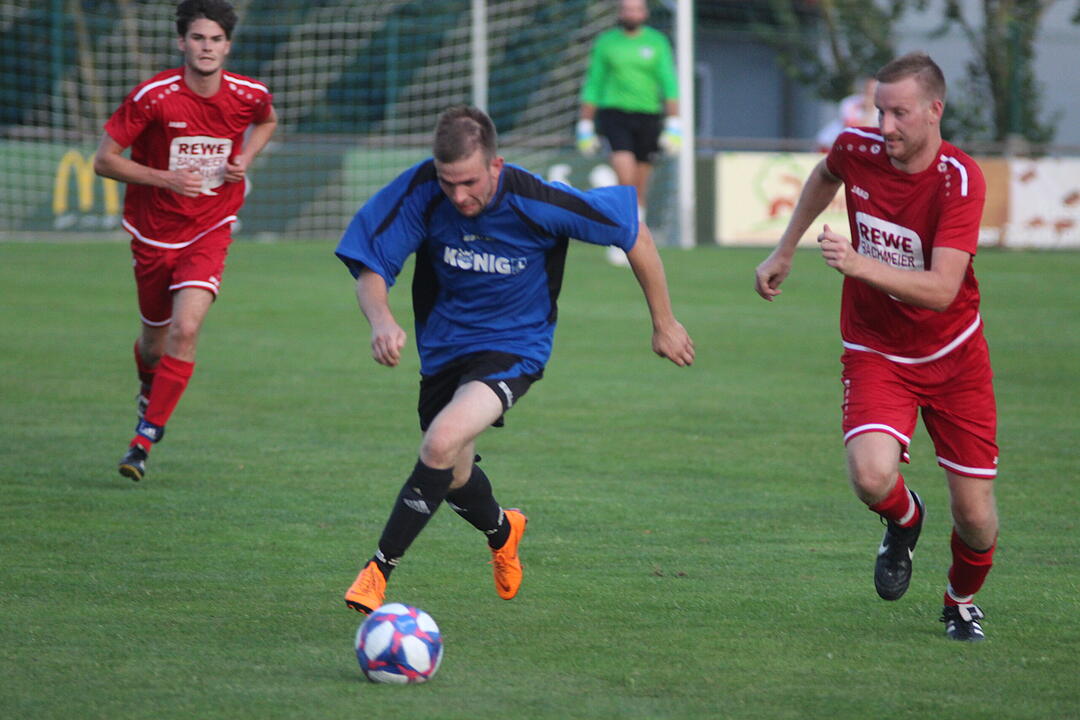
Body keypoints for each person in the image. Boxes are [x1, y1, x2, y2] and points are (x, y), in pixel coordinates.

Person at [336, 105, 694, 614]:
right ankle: (504, 531)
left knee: (438, 443)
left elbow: (631, 229)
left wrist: (664, 322)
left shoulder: (535, 199)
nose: (458, 196)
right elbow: (370, 264)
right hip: (442, 352)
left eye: (469, 182)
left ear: (496, 165)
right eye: (447, 182)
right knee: (452, 471)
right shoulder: (422, 189)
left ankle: (376, 573)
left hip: (513, 348)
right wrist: (381, 321)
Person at [754, 53, 999, 642]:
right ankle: (905, 520)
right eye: (879, 110)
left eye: (900, 113)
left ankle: (959, 600)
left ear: (935, 111)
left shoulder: (959, 180)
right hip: (876, 350)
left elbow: (942, 290)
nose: (885, 126)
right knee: (869, 476)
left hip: (955, 357)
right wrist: (786, 248)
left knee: (975, 519)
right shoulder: (856, 148)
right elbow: (823, 176)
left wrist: (859, 264)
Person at [94, 0, 277, 482]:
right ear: (182, 43)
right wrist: (165, 178)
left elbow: (266, 120)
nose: (207, 47)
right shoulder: (153, 97)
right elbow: (104, 160)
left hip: (211, 227)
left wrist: (245, 158)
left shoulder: (248, 93)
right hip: (153, 233)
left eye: (216, 40)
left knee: (187, 329)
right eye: (198, 38)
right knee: (153, 345)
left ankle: (143, 439)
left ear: (228, 46)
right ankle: (147, 387)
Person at [576, 0, 680, 266]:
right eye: (627, 9)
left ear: (644, 13)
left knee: (640, 184)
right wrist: (585, 124)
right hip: (615, 115)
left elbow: (668, 83)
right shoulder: (606, 43)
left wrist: (673, 123)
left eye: (637, 9)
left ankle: (636, 236)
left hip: (647, 116)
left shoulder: (657, 43)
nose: (632, 13)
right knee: (626, 177)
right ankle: (621, 237)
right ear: (620, 13)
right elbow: (594, 82)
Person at [815, 76, 879, 152]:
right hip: (831, 145)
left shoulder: (883, 107)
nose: (871, 93)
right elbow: (853, 129)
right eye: (869, 89)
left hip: (856, 148)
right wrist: (869, 111)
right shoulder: (850, 102)